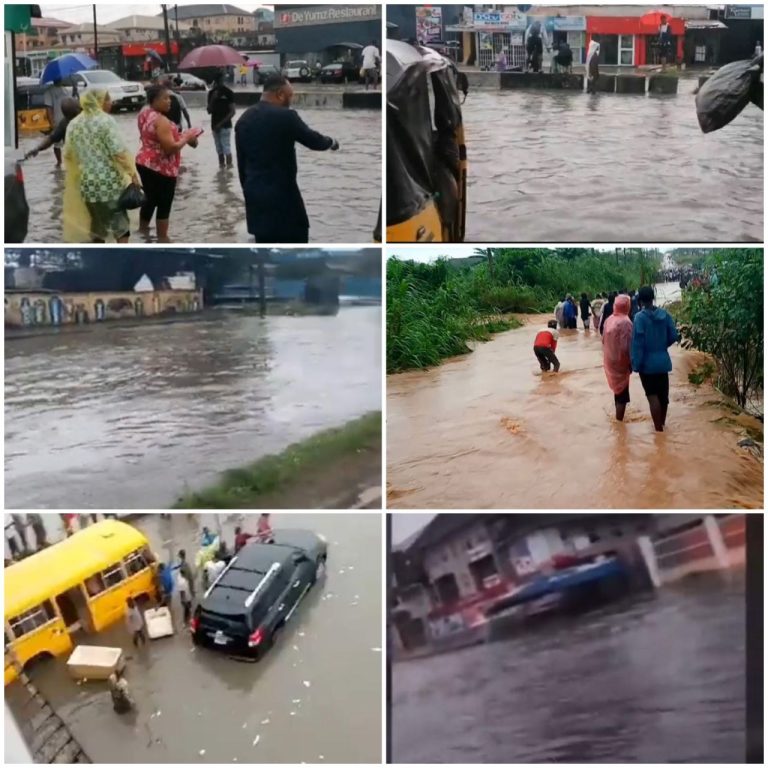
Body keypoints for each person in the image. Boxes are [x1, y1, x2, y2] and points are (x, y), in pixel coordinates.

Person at [234, 75, 339, 243]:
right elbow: (313, 140)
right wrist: (331, 142)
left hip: (256, 201)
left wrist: (249, 192)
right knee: (298, 248)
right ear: (280, 94)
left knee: (265, 255)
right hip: (284, 199)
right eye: (290, 96)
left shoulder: (243, 120)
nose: (291, 100)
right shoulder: (286, 116)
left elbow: (241, 166)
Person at [63, 90, 140, 243]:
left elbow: (68, 154)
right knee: (121, 226)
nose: (111, 103)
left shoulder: (73, 124)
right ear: (99, 102)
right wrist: (132, 174)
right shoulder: (106, 121)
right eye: (108, 99)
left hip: (87, 185)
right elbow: (119, 152)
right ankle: (122, 260)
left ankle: (100, 256)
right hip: (109, 184)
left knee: (97, 227)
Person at [136, 85, 200, 243]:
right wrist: (185, 138)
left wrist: (179, 135)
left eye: (169, 97)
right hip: (161, 168)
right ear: (155, 100)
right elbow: (170, 148)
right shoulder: (162, 121)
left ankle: (143, 232)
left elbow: (151, 137)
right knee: (164, 204)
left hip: (144, 161)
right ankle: (162, 238)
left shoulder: (144, 114)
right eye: (165, 98)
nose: (169, 101)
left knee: (150, 199)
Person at [632, 285, 680, 432]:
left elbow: (638, 343)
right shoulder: (665, 315)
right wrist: (661, 346)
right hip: (663, 361)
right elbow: (674, 336)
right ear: (653, 298)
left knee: (652, 396)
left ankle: (658, 431)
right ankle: (663, 424)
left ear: (640, 300)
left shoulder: (639, 318)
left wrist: (636, 364)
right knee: (663, 396)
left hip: (647, 364)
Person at [602, 294, 634, 422]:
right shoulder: (626, 322)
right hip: (621, 361)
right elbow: (628, 345)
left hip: (610, 359)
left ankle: (618, 418)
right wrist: (631, 363)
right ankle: (619, 422)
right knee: (622, 393)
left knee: (617, 390)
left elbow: (603, 340)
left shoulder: (609, 319)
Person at [207, 72, 236, 168]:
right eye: (221, 79)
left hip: (225, 126)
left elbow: (232, 112)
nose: (222, 81)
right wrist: (213, 99)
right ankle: (222, 170)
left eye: (223, 79)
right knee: (219, 150)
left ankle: (229, 171)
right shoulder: (211, 93)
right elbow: (209, 111)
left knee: (226, 148)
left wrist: (221, 124)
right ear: (217, 80)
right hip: (214, 126)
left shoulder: (228, 92)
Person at [43, 79, 69, 167]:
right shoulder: (49, 91)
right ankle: (59, 162)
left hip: (67, 120)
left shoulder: (65, 90)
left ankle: (68, 162)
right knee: (57, 144)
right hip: (57, 121)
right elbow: (48, 108)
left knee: (68, 142)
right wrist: (52, 122)